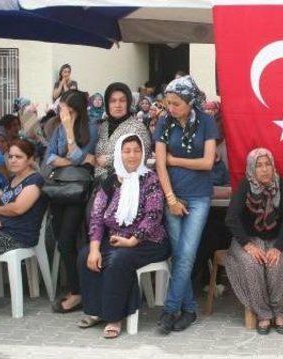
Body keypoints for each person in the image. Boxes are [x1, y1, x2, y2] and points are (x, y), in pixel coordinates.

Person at [77, 134, 170, 339]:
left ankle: (114, 317)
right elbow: (97, 216)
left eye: (137, 150)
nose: (132, 155)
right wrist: (94, 248)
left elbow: (153, 215)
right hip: (116, 238)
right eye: (127, 151)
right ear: (119, 153)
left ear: (143, 153)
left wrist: (132, 240)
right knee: (86, 255)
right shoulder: (110, 181)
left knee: (119, 260)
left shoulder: (151, 179)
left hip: (149, 241)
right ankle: (96, 310)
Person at [154, 75, 215, 335]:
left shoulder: (207, 122)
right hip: (173, 196)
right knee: (179, 255)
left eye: (176, 103)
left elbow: (207, 162)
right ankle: (188, 310)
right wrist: (170, 198)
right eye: (168, 102)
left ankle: (169, 310)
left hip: (199, 196)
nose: (171, 107)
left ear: (190, 102)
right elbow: (159, 163)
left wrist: (175, 160)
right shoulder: (163, 123)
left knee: (187, 254)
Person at [224, 148, 283, 335]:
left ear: (273, 166)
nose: (264, 169)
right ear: (251, 169)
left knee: (275, 264)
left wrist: (278, 247)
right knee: (252, 263)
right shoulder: (245, 185)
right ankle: (263, 314)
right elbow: (231, 218)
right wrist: (248, 245)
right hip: (246, 240)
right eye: (259, 165)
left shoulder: (282, 185)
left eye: (267, 164)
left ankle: (279, 312)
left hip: (274, 240)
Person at [0, 139, 47, 315]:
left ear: (30, 159)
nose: (13, 160)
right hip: (1, 230)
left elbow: (18, 208)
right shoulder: (11, 180)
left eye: (19, 157)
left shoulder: (35, 180)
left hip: (19, 236)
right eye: (10, 156)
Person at [45, 90, 99, 313]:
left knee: (69, 239)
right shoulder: (57, 128)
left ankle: (77, 292)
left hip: (79, 191)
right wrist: (77, 159)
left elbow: (83, 157)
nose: (60, 110)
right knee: (61, 239)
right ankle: (76, 288)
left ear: (74, 108)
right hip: (58, 190)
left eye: (64, 107)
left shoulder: (91, 128)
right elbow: (49, 158)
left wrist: (69, 130)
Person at [94, 82, 151, 180]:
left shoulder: (137, 127)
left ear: (128, 102)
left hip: (124, 185)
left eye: (122, 100)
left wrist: (108, 160)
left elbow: (143, 156)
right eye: (113, 101)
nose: (118, 105)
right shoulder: (102, 126)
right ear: (107, 104)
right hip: (98, 186)